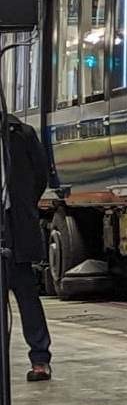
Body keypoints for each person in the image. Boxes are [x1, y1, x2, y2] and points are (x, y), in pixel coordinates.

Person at [2, 108, 51, 382]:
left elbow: (40, 175)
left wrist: (22, 206)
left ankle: (40, 358)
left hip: (15, 224)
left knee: (27, 296)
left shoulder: (20, 134)